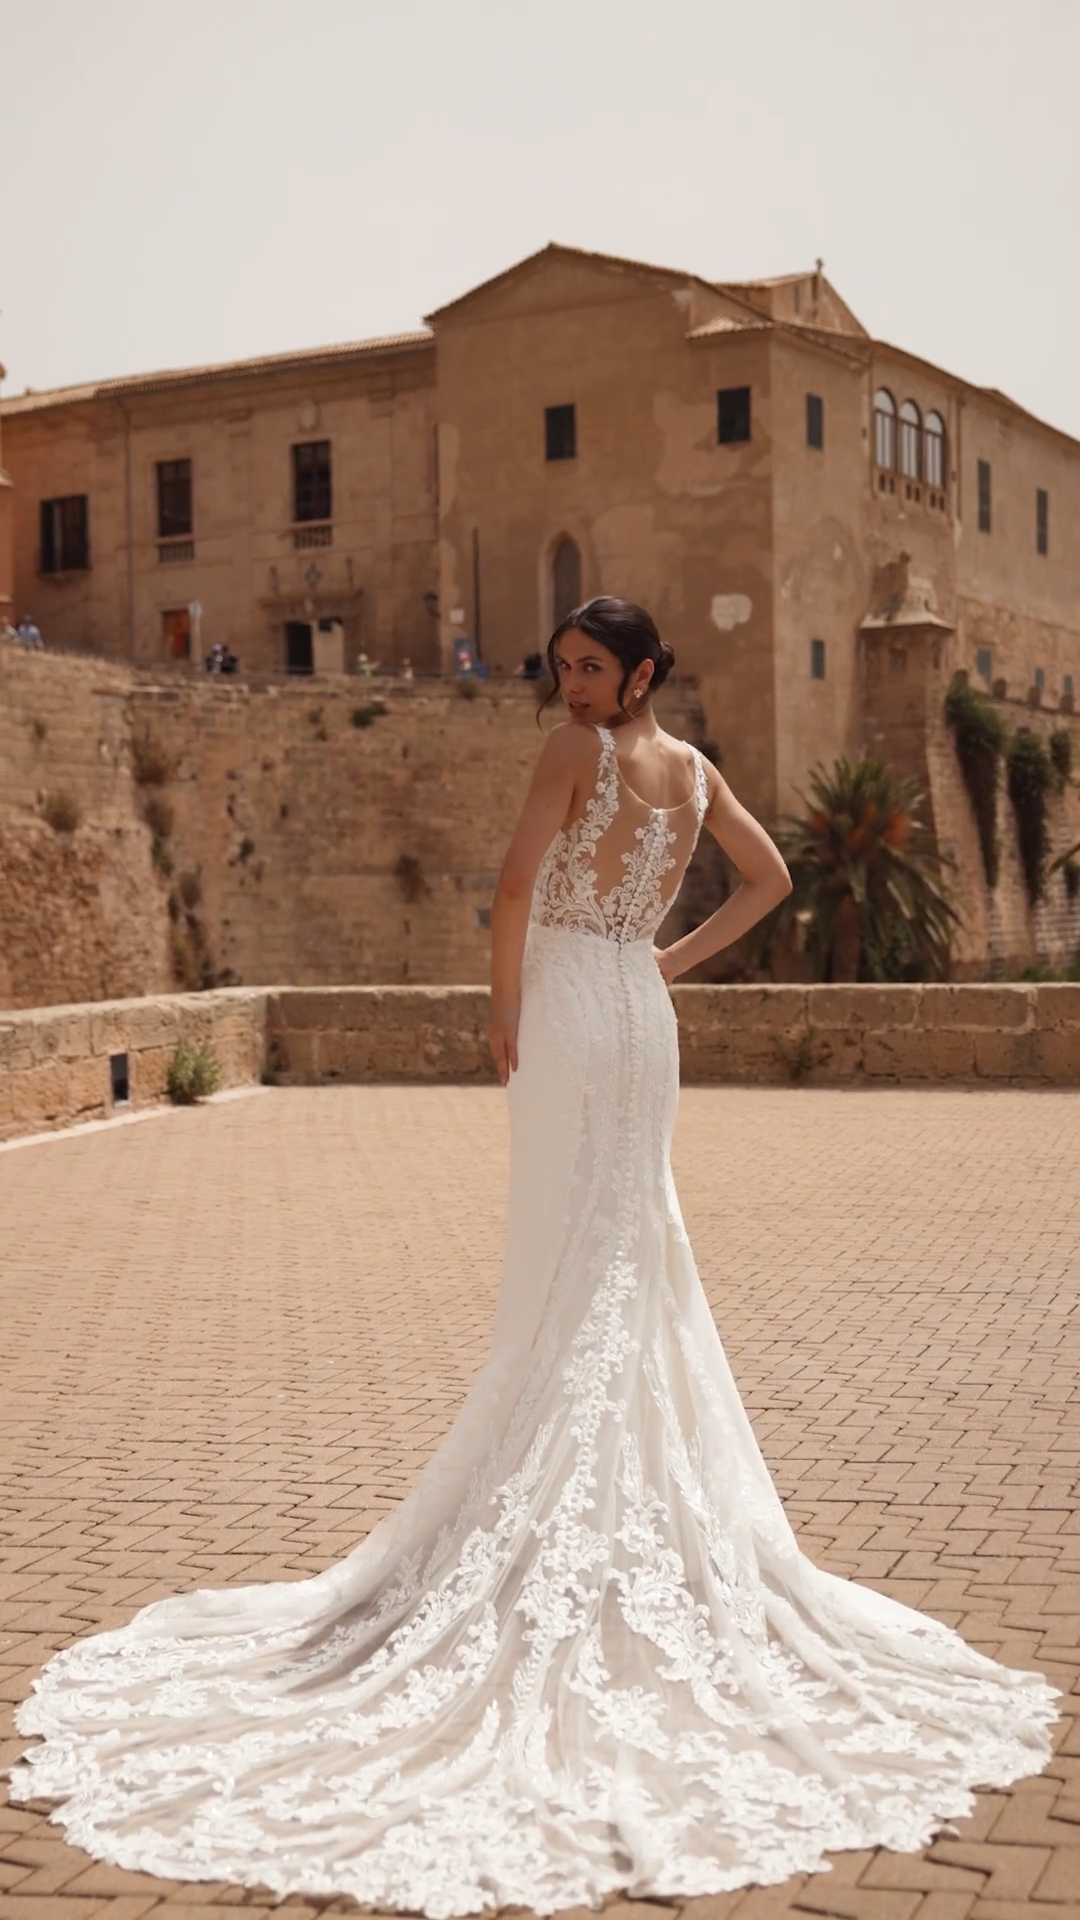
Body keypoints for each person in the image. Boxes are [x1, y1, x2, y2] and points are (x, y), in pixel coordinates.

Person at [9, 597, 1056, 1915]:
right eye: (562, 667)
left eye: (593, 668)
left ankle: (561, 1505)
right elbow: (774, 882)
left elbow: (513, 884)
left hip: (568, 1002)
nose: (570, 687)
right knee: (629, 1250)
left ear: (643, 674)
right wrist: (664, 958)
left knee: (577, 1256)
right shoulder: (694, 769)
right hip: (633, 1007)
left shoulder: (584, 758)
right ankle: (637, 1512)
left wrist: (500, 1008)